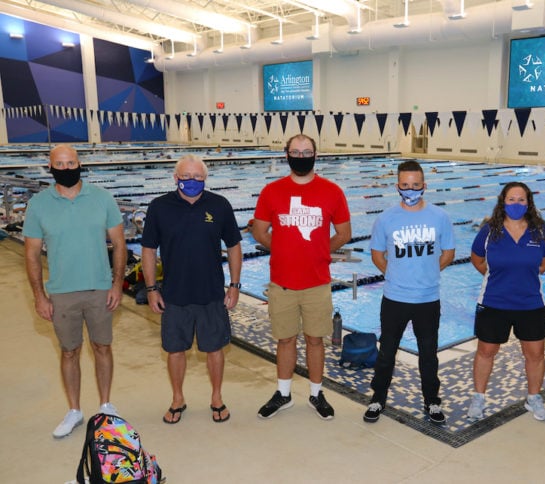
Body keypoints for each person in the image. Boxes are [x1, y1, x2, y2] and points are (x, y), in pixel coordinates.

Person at [23, 144, 126, 438]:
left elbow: (119, 244)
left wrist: (117, 284)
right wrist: (39, 296)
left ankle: (105, 405)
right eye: (60, 164)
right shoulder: (39, 204)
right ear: (50, 166)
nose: (66, 169)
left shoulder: (102, 198)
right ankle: (74, 411)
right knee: (70, 351)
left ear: (80, 164)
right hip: (61, 292)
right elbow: (30, 254)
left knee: (102, 347)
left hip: (99, 288)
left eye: (71, 163)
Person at [253, 134, 351, 420]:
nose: (301, 155)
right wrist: (284, 250)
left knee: (315, 340)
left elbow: (344, 233)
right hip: (282, 282)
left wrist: (319, 252)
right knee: (284, 340)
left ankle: (316, 393)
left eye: (306, 151)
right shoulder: (272, 191)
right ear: (287, 154)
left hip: (317, 282)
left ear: (315, 154)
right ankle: (283, 394)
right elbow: (259, 232)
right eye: (295, 151)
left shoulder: (332, 191)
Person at [141, 155, 242, 424]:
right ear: (175, 178)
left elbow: (234, 245)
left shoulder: (219, 205)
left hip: (211, 293)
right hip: (174, 294)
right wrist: (151, 288)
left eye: (198, 177)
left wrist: (234, 284)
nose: (192, 181)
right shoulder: (159, 207)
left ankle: (217, 397)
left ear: (205, 179)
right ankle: (177, 398)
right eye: (186, 176)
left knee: (215, 348)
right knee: (175, 349)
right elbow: (149, 250)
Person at [363, 160, 455, 424]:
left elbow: (448, 253)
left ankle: (432, 401)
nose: (410, 190)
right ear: (397, 187)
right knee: (387, 352)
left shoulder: (440, 217)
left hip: (428, 299)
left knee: (429, 354)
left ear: (425, 186)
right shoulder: (386, 219)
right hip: (394, 298)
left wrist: (429, 273)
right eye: (405, 185)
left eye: (416, 185)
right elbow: (377, 254)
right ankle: (378, 398)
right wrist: (394, 274)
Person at [466, 182, 545, 422]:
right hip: (494, 302)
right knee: (486, 351)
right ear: (503, 201)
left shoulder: (540, 231)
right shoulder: (489, 231)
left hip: (531, 303)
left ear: (529, 203)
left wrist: (524, 274)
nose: (516, 204)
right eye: (512, 199)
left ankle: (534, 398)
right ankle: (479, 397)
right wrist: (495, 276)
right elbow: (477, 259)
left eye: (521, 200)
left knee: (535, 354)